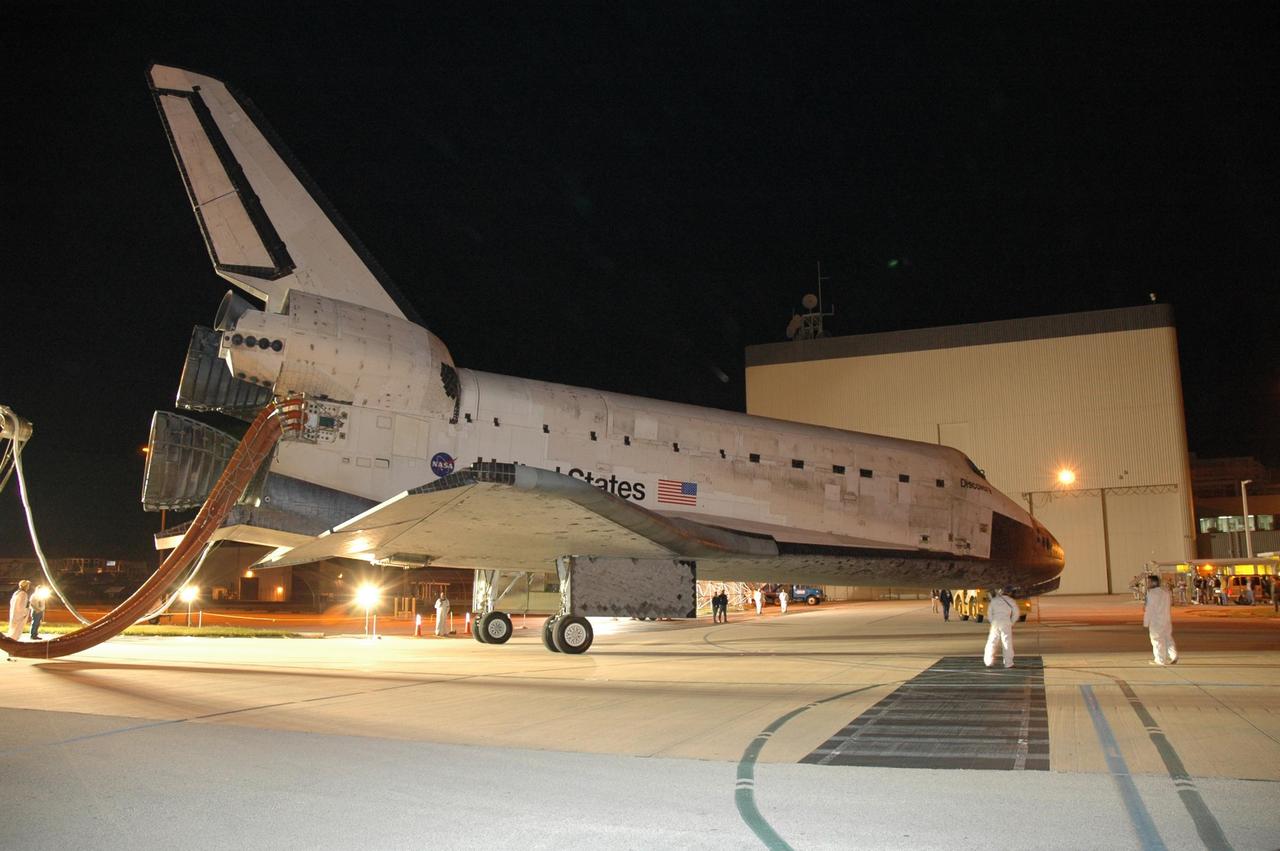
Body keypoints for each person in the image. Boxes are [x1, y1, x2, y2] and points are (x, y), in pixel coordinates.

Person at [1143, 574, 1177, 665]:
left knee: (1157, 640)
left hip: (1156, 620)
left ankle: (1160, 659)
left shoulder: (1151, 594)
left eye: (1149, 582)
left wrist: (1146, 622)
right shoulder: (1165, 592)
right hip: (1166, 619)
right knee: (1167, 638)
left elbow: (1149, 609)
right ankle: (1173, 655)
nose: (1147, 584)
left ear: (1153, 582)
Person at [983, 586, 1018, 668]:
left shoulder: (994, 601)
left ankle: (988, 662)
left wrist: (993, 622)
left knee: (992, 642)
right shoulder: (1011, 601)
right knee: (1007, 643)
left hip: (995, 623)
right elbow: (1016, 613)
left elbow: (989, 614)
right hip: (1006, 623)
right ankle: (1008, 663)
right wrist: (1011, 622)